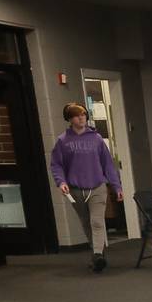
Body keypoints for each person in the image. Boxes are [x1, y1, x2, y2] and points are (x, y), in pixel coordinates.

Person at [49, 101, 122, 273]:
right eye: (76, 115)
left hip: (97, 186)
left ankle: (97, 255)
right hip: (75, 189)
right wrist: (62, 182)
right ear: (69, 119)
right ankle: (98, 253)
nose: (81, 118)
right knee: (86, 222)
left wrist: (116, 186)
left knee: (97, 221)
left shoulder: (96, 139)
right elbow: (56, 165)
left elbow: (108, 165)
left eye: (83, 114)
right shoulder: (63, 141)